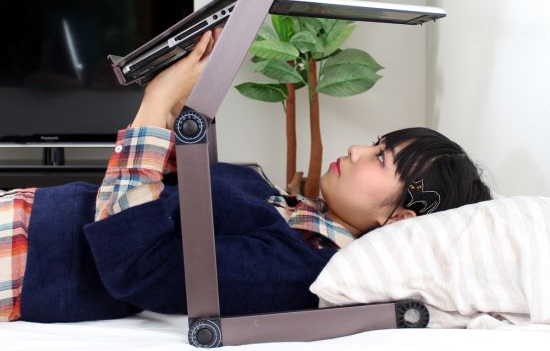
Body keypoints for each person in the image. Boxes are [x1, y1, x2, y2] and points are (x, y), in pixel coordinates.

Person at [0, 29, 491, 323]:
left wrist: (153, 104)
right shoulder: (300, 218)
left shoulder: (302, 267)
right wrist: (173, 103)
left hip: (25, 258)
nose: (357, 149)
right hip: (24, 218)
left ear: (402, 218)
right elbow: (175, 204)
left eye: (381, 158)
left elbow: (140, 263)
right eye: (377, 143)